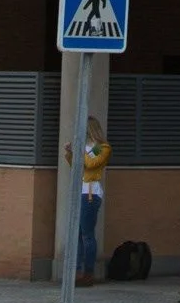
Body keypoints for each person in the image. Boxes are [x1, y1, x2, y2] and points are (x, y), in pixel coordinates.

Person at [81, 115, 111, 285]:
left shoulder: (101, 147)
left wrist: (81, 152)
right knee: (78, 233)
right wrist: (70, 153)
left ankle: (89, 273)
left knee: (87, 234)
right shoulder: (85, 148)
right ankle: (77, 270)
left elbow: (92, 164)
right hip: (81, 190)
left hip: (91, 193)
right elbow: (77, 165)